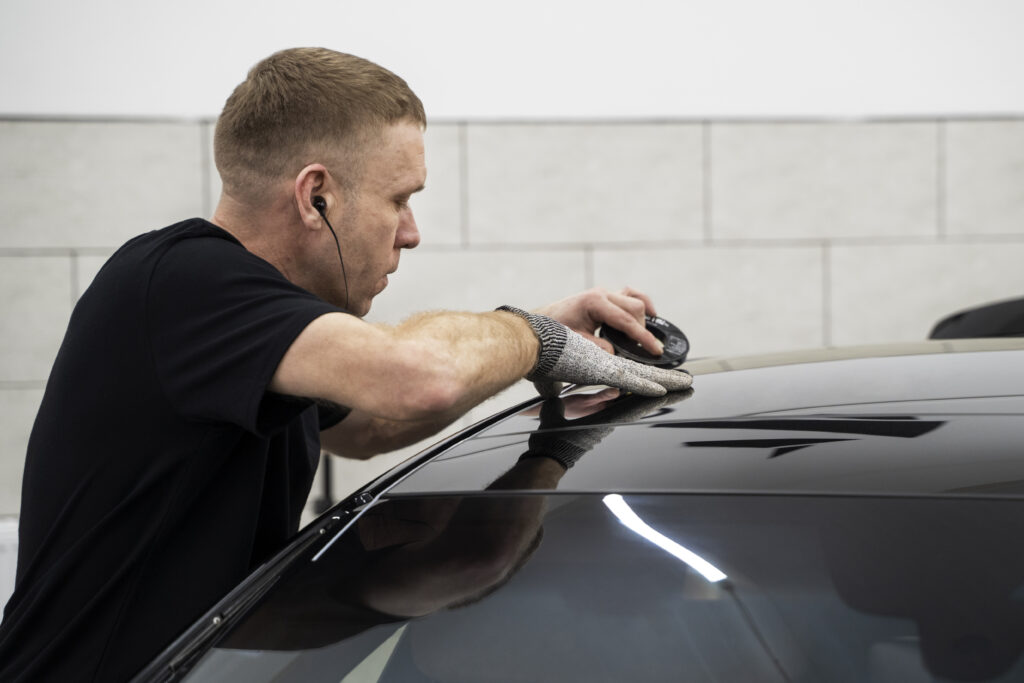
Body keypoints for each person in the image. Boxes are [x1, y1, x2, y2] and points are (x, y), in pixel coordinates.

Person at [0, 47, 691, 681]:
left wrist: (555, 439)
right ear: (315, 196)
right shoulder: (181, 283)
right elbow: (415, 379)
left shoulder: (254, 331)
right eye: (400, 199)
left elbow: (368, 424)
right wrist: (538, 337)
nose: (412, 233)